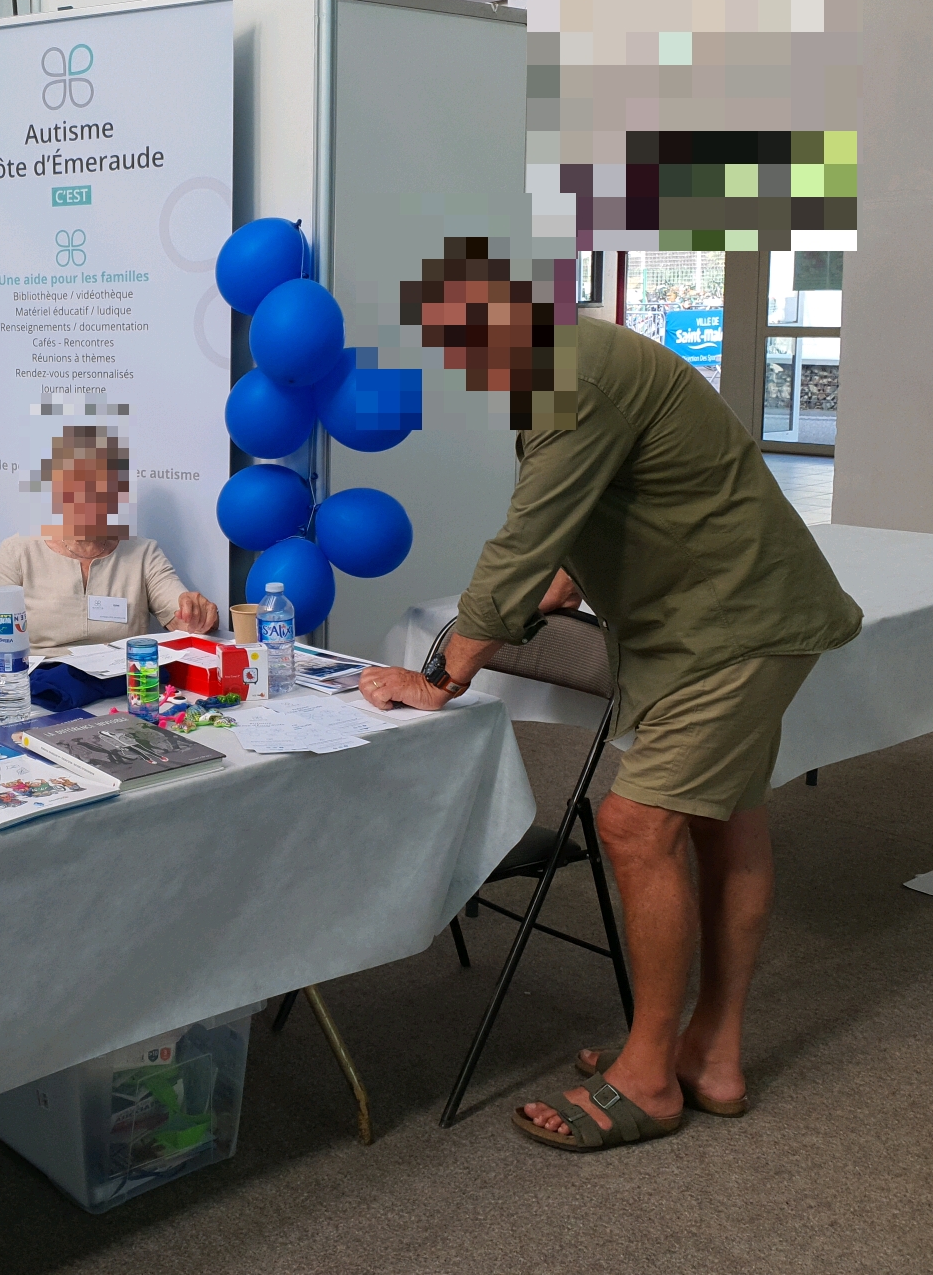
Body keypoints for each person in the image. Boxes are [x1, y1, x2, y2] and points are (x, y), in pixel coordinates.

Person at [360, 280, 861, 1153]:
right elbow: (626, 495)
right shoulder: (580, 359)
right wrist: (564, 584)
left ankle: (649, 1078)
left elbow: (528, 531)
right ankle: (710, 1054)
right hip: (733, 613)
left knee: (634, 827)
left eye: (463, 343)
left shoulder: (570, 376)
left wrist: (442, 677)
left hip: (732, 628)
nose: (463, 366)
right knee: (726, 825)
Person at [0, 426, 217, 675]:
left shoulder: (142, 553)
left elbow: (183, 619)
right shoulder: (18, 551)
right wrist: (10, 708)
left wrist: (196, 614)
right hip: (37, 690)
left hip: (123, 689)